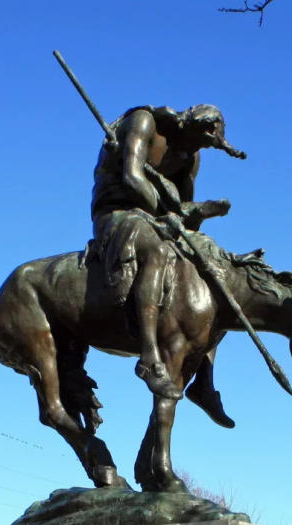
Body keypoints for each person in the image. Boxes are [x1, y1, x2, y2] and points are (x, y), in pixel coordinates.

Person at [90, 104, 244, 427]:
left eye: (204, 148)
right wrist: (173, 211)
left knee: (214, 276)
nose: (195, 152)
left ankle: (203, 381)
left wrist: (199, 211)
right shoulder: (144, 123)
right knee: (157, 251)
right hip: (118, 215)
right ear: (187, 125)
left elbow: (184, 213)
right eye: (197, 142)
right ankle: (148, 358)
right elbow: (132, 178)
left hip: (159, 220)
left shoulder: (191, 157)